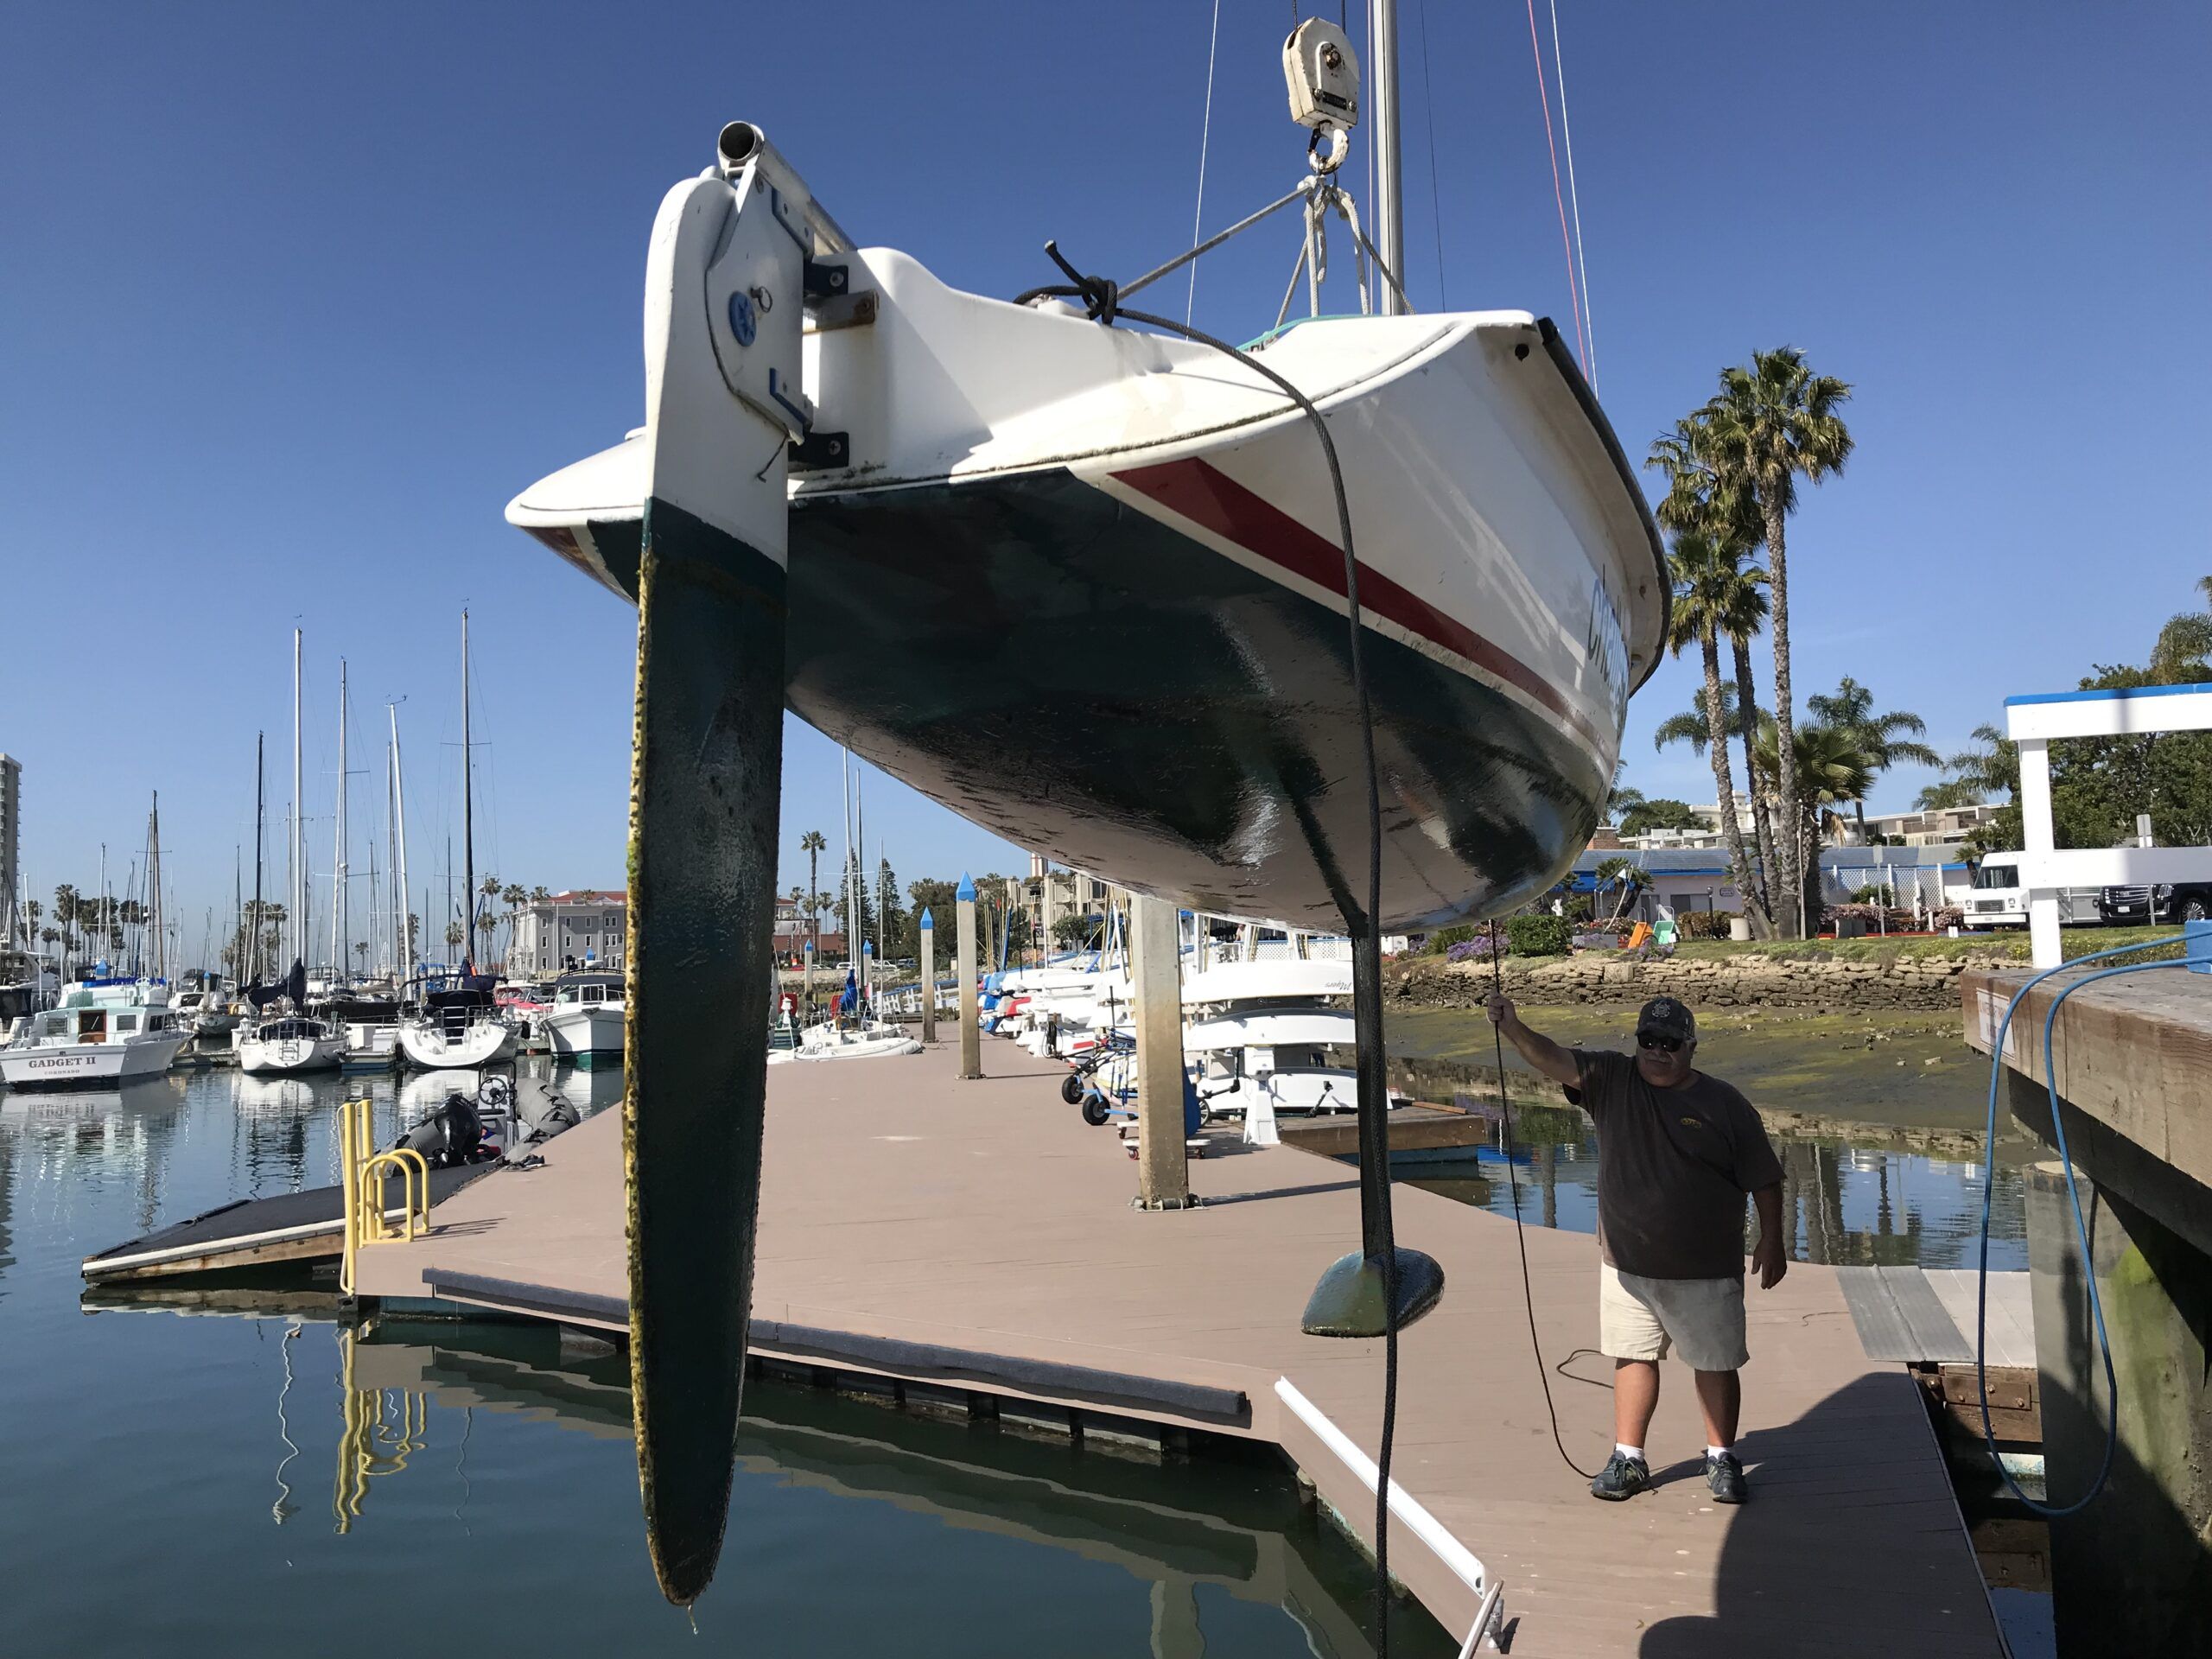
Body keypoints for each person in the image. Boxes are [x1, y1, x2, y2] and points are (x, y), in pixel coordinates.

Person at [1486, 991, 1786, 1505]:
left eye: (1671, 1043)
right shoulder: (1610, 1079)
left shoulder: (1725, 1103)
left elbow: (1765, 1177)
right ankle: (1629, 1457)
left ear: (1691, 1047)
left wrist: (1773, 1240)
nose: (1658, 1051)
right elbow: (1552, 1057)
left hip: (1705, 1267)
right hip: (1626, 1264)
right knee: (1632, 1356)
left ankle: (1721, 1458)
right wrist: (1513, 1027)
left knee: (1714, 1362)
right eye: (1649, 1040)